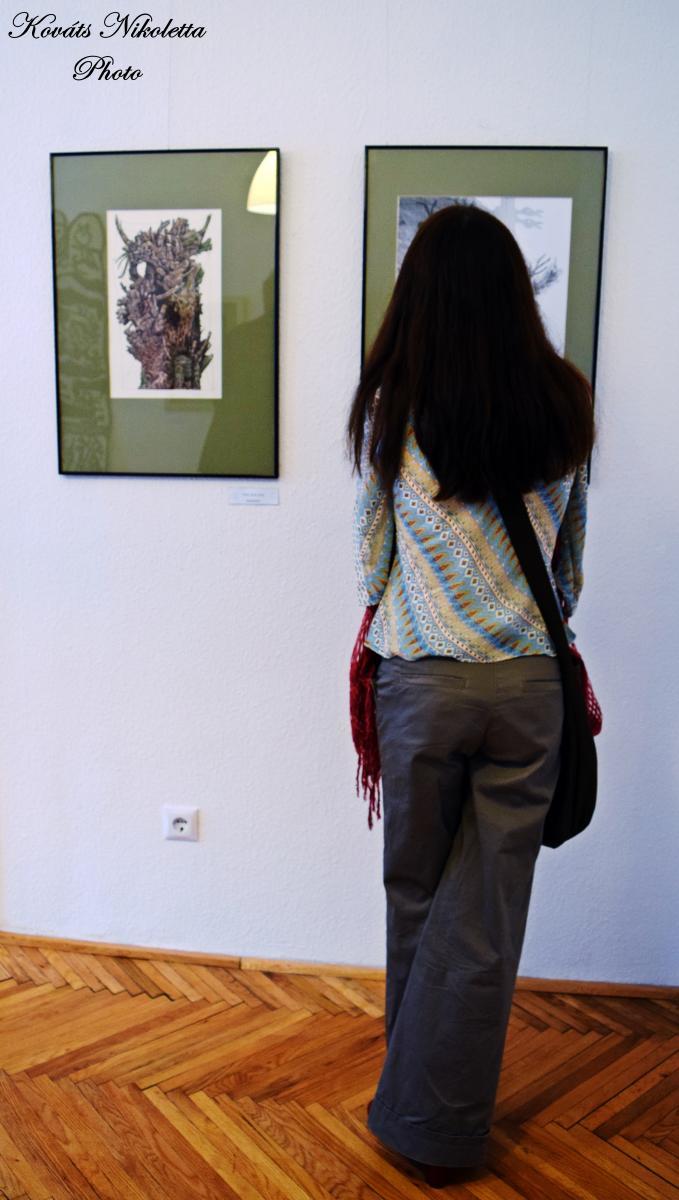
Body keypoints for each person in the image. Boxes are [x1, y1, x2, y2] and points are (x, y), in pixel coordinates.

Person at [346, 202, 596, 1185]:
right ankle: (437, 1122)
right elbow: (566, 573)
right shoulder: (563, 399)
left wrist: (431, 597)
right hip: (529, 689)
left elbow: (370, 565)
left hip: (421, 682)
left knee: (416, 890)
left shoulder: (393, 403)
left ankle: (416, 1117)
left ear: (420, 294)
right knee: (487, 916)